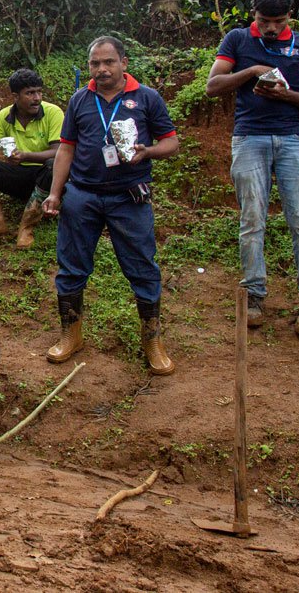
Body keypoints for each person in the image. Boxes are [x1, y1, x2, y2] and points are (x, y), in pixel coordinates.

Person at [43, 36, 180, 376]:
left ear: (124, 62)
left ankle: (152, 340)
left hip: (129, 196)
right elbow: (66, 149)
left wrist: (147, 152)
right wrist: (55, 193)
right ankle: (70, 335)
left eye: (108, 62)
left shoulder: (146, 98)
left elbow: (172, 142)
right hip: (82, 195)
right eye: (95, 63)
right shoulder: (80, 100)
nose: (101, 69)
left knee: (142, 266)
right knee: (71, 266)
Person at [206, 0, 299, 336]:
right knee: (251, 220)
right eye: (264, 20)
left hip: (294, 139)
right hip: (249, 139)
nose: (271, 27)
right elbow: (213, 86)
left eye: (278, 21)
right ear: (253, 14)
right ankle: (254, 295)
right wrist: (250, 72)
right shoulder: (237, 40)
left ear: (290, 15)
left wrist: (288, 95)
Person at [0, 68, 63, 247]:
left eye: (39, 92)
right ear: (15, 96)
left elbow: (60, 151)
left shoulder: (53, 113)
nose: (37, 98)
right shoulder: (4, 116)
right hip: (18, 175)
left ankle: (26, 228)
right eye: (30, 93)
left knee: (52, 165)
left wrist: (26, 155)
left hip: (46, 177)